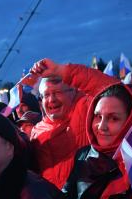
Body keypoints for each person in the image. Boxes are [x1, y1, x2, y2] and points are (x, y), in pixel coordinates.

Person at [29, 58, 118, 189]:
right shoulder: (36, 131)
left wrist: (63, 71)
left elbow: (115, 90)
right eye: (46, 95)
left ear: (73, 92)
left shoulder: (87, 109)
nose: (52, 99)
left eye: (58, 92)